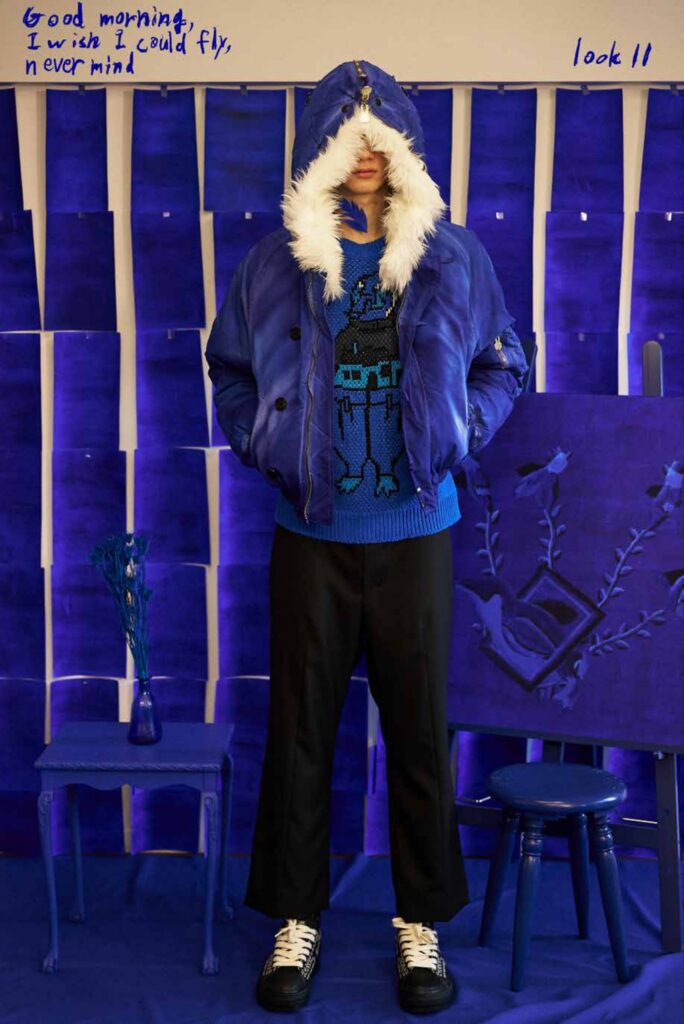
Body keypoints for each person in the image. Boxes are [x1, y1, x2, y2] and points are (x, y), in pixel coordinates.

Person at [205, 58, 529, 1015]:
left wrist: (462, 427)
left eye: (378, 138)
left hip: (418, 533)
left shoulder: (454, 257)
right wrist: (264, 440)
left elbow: (507, 361)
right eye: (346, 138)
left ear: (402, 149)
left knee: (419, 730)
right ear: (320, 147)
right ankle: (295, 920)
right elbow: (229, 369)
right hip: (310, 533)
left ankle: (419, 925)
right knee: (301, 731)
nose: (363, 155)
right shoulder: (275, 262)